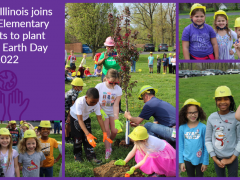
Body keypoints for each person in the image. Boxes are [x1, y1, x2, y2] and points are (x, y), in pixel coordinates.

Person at [70, 88, 113, 163]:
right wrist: (87, 134)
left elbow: (99, 118)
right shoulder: (80, 102)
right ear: (86, 97)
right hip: (75, 118)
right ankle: (77, 155)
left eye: (96, 102)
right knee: (78, 138)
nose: (94, 104)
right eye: (92, 102)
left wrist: (104, 133)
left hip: (86, 118)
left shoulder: (96, 103)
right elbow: (80, 120)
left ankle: (91, 156)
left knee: (89, 139)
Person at [205, 86, 240, 177]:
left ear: (231, 100)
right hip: (217, 158)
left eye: (226, 99)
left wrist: (231, 159)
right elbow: (208, 140)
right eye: (219, 99)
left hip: (233, 157)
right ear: (216, 101)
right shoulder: (211, 118)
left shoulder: (237, 117)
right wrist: (214, 158)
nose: (222, 102)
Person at [95, 69, 122, 159]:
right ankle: (108, 150)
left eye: (116, 82)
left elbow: (116, 105)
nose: (114, 84)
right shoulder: (99, 87)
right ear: (106, 78)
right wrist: (100, 111)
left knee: (114, 131)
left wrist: (116, 118)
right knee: (106, 130)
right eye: (111, 82)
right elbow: (95, 101)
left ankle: (109, 141)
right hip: (102, 111)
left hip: (112, 111)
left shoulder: (118, 89)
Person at [179, 99, 209, 177]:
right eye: (190, 112)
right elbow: (180, 146)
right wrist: (181, 161)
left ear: (199, 112)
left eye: (195, 112)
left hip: (200, 160)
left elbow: (206, 146)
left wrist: (205, 162)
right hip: (187, 159)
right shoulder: (182, 128)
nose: (193, 115)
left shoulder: (203, 127)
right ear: (185, 113)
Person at [65, 78, 86, 143]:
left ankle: (70, 135)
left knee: (69, 123)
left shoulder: (73, 91)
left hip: (65, 108)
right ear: (76, 87)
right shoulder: (74, 94)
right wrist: (69, 116)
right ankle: (66, 139)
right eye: (81, 87)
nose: (82, 89)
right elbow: (73, 106)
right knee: (67, 123)